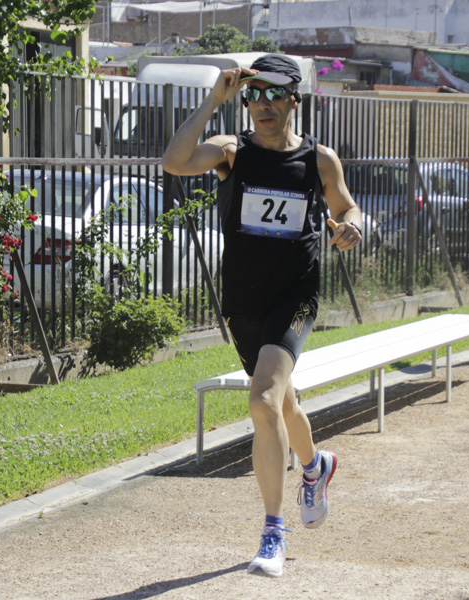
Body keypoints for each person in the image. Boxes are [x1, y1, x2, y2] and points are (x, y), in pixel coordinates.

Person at [162, 54, 362, 577]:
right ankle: (316, 467)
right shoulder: (234, 151)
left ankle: (273, 533)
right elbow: (175, 161)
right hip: (243, 301)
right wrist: (214, 99)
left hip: (296, 294)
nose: (263, 106)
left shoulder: (319, 159)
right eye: (254, 96)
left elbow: (345, 206)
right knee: (281, 403)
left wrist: (352, 225)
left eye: (275, 95)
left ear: (296, 100)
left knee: (263, 398)